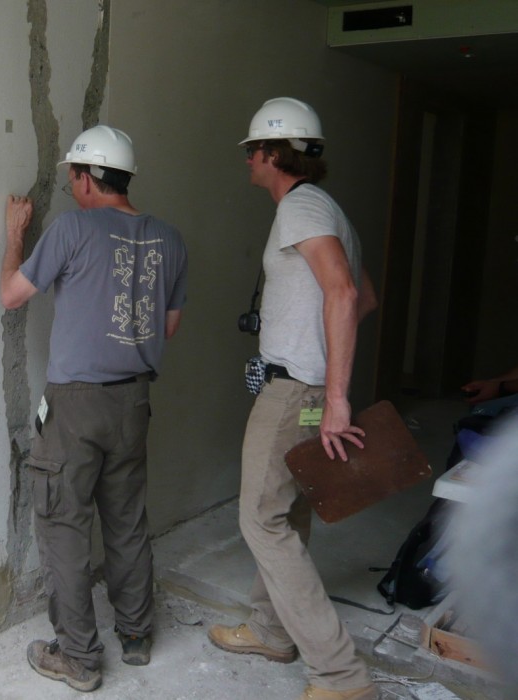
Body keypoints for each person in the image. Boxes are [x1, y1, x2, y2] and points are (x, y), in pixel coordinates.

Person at [0, 125, 188, 692]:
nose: (72, 187)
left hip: (76, 406)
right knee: (126, 520)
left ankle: (79, 657)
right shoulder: (170, 239)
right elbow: (168, 328)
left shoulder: (72, 228)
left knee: (63, 524)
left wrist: (14, 235)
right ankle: (135, 633)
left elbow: (11, 294)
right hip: (134, 400)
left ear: (86, 178)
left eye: (72, 177)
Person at [206, 98, 379, 700]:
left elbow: (344, 293)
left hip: (295, 390)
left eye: (252, 150)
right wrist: (323, 364)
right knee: (290, 507)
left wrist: (335, 397)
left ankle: (340, 675)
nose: (248, 159)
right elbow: (363, 297)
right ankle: (271, 630)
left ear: (273, 153)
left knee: (259, 517)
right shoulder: (326, 209)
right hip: (305, 384)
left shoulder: (302, 207)